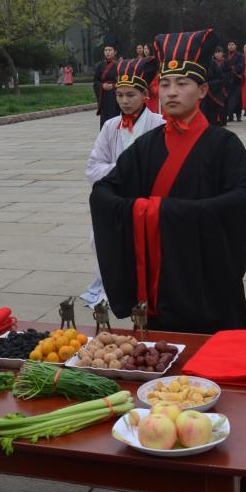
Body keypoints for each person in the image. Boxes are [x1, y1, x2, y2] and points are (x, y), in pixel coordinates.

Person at [90, 28, 246, 333]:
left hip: (206, 279)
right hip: (157, 279)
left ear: (203, 90)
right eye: (166, 84)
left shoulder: (223, 145)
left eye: (182, 84)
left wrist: (174, 213)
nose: (171, 92)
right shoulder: (146, 145)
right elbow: (104, 191)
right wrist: (138, 211)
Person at [80, 57, 165, 307]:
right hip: (117, 198)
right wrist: (124, 172)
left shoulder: (159, 124)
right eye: (119, 95)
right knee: (103, 239)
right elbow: (93, 167)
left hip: (146, 199)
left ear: (145, 94)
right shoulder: (110, 126)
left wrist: (124, 173)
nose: (124, 101)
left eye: (130, 95)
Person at [93, 36, 121, 129]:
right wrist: (102, 85)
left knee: (114, 117)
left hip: (114, 95)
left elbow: (122, 80)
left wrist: (113, 85)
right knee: (104, 119)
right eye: (106, 50)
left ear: (115, 52)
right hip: (104, 95)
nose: (107, 52)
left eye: (110, 50)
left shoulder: (119, 65)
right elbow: (96, 80)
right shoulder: (100, 65)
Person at [202, 45, 229, 126]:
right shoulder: (199, 63)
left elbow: (222, 78)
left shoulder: (213, 63)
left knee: (212, 114)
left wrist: (210, 84)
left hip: (213, 92)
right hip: (201, 92)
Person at [225, 40, 245, 122]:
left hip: (236, 80)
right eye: (229, 44)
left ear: (235, 46)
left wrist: (234, 68)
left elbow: (241, 66)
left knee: (238, 99)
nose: (231, 46)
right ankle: (230, 115)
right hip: (228, 80)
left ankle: (238, 115)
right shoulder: (225, 56)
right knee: (228, 98)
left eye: (232, 44)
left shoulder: (240, 55)